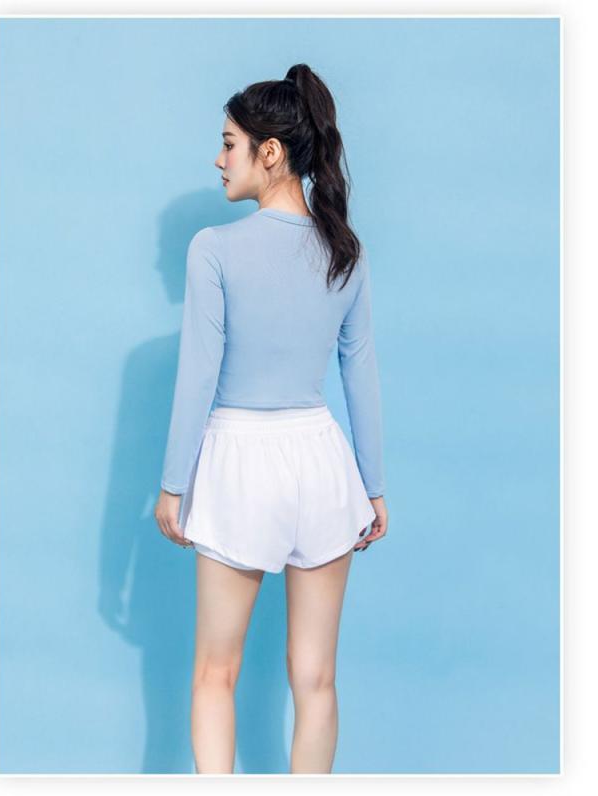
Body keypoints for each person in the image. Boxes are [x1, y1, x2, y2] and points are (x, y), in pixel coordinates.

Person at [154, 63, 389, 775]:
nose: (218, 159)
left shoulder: (214, 249)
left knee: (214, 674)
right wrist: (374, 487)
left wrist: (172, 486)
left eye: (229, 144)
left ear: (271, 151)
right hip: (322, 463)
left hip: (240, 464)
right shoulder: (345, 252)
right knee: (316, 681)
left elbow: (198, 374)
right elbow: (360, 373)